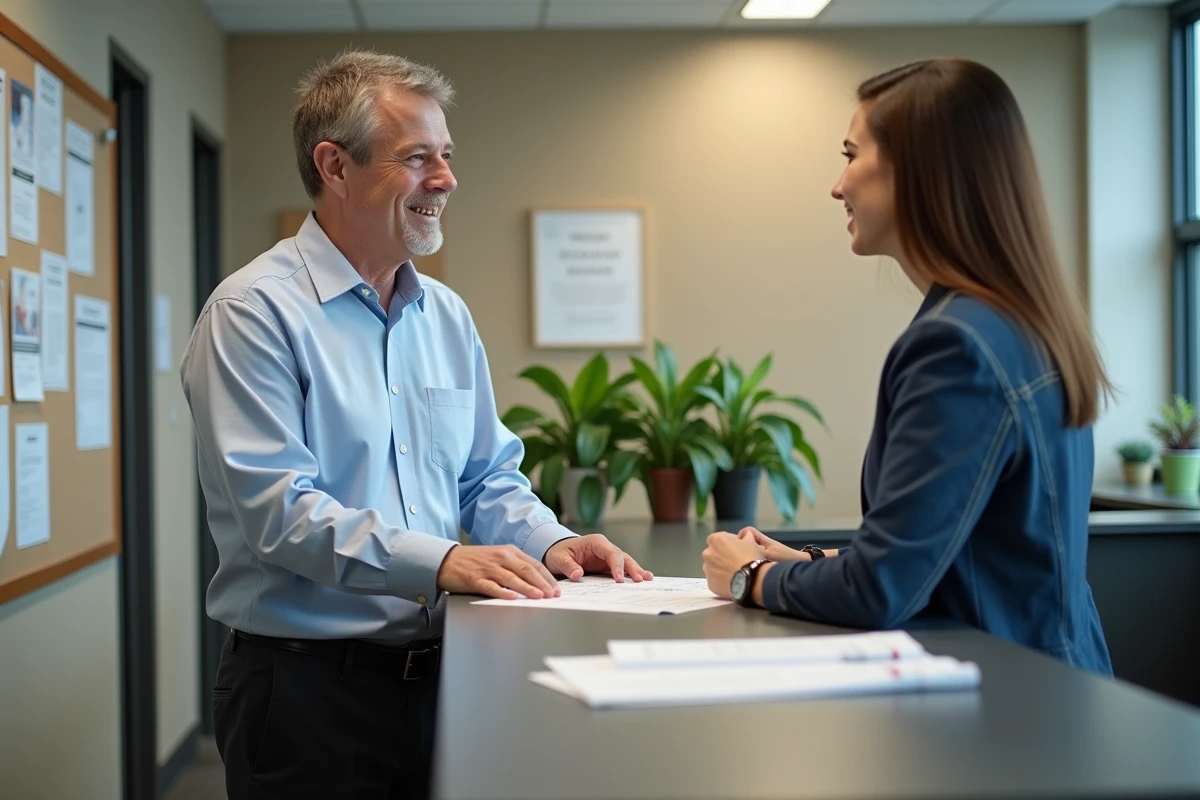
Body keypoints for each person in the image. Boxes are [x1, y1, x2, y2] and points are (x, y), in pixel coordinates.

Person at [181, 50, 652, 800]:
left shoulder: (446, 315)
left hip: (444, 681)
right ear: (334, 166)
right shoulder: (252, 314)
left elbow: (485, 475)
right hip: (307, 694)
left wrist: (552, 541)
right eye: (417, 158)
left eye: (447, 156)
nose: (446, 179)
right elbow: (280, 514)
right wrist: (439, 563)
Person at [702, 58, 1113, 675]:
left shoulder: (957, 347)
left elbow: (883, 590)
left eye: (850, 155)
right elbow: (948, 557)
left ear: (917, 173)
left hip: (1004, 704)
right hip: (1046, 684)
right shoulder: (1017, 321)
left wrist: (752, 578)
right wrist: (806, 566)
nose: (837, 186)